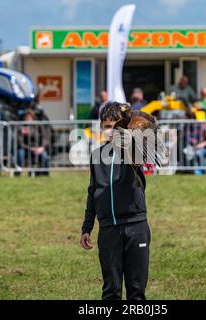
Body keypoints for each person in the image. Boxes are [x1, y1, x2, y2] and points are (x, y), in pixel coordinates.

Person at [80, 101, 151, 300]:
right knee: (111, 291)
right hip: (108, 229)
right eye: (107, 126)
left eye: (114, 126)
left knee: (136, 293)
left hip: (135, 227)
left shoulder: (133, 150)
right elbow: (92, 192)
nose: (110, 131)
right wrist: (87, 228)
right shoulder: (97, 156)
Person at [16, 109, 50, 176]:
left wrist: (42, 147)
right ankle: (17, 172)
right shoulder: (21, 127)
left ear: (33, 117)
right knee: (20, 154)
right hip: (26, 149)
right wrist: (30, 148)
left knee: (44, 155)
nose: (28, 119)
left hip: (38, 148)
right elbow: (19, 142)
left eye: (30, 117)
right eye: (27, 117)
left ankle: (45, 173)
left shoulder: (39, 126)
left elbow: (45, 138)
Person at [184, 111, 206, 175]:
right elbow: (187, 138)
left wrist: (201, 144)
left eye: (186, 118)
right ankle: (188, 170)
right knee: (185, 152)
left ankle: (201, 171)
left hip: (203, 148)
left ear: (192, 118)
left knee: (198, 153)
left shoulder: (202, 126)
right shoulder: (186, 127)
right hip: (191, 147)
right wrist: (192, 141)